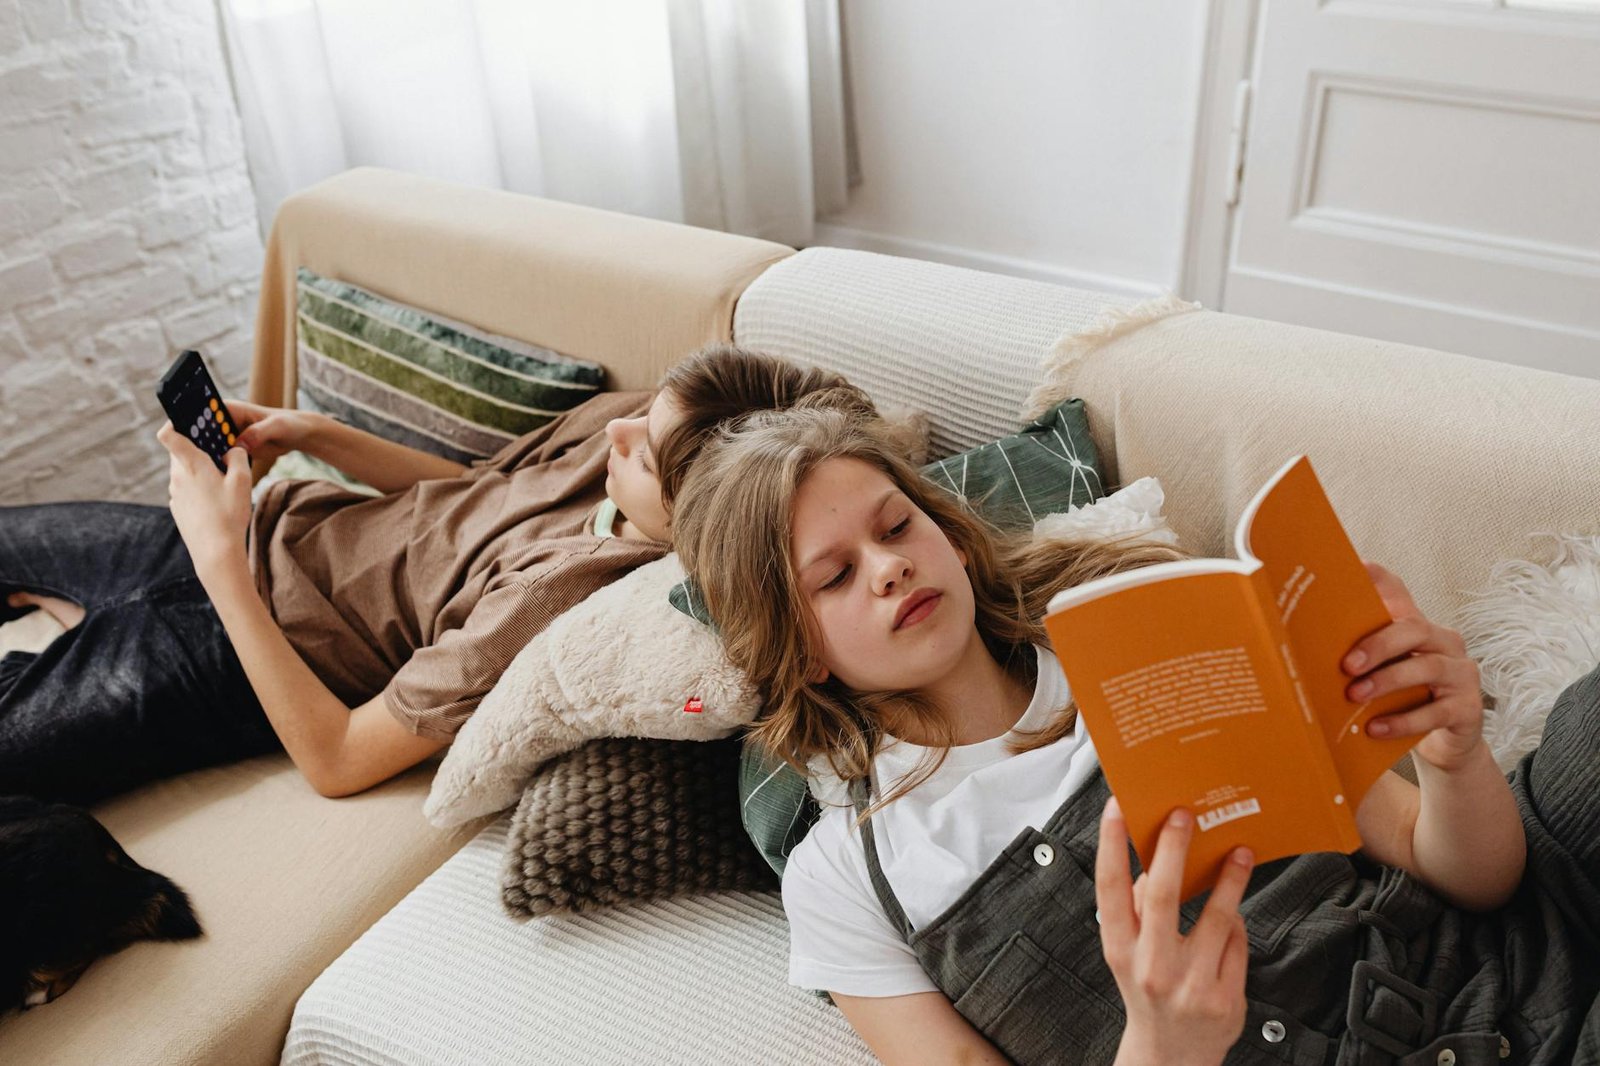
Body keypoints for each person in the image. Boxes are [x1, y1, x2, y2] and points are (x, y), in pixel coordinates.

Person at [673, 404, 1600, 1065]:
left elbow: (1472, 875)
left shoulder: (1151, 645)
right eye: (834, 577)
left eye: (896, 526)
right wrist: (1163, 1048)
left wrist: (1455, 756)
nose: (887, 568)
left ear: (949, 535)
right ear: (803, 655)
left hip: (1506, 976)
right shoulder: (843, 877)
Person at [0, 345, 874, 805]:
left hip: (233, 658)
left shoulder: (559, 601)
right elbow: (472, 494)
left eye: (642, 452)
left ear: (694, 526)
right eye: (646, 413)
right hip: (269, 527)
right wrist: (311, 433)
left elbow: (338, 761)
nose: (620, 432)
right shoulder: (616, 428)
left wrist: (219, 562)